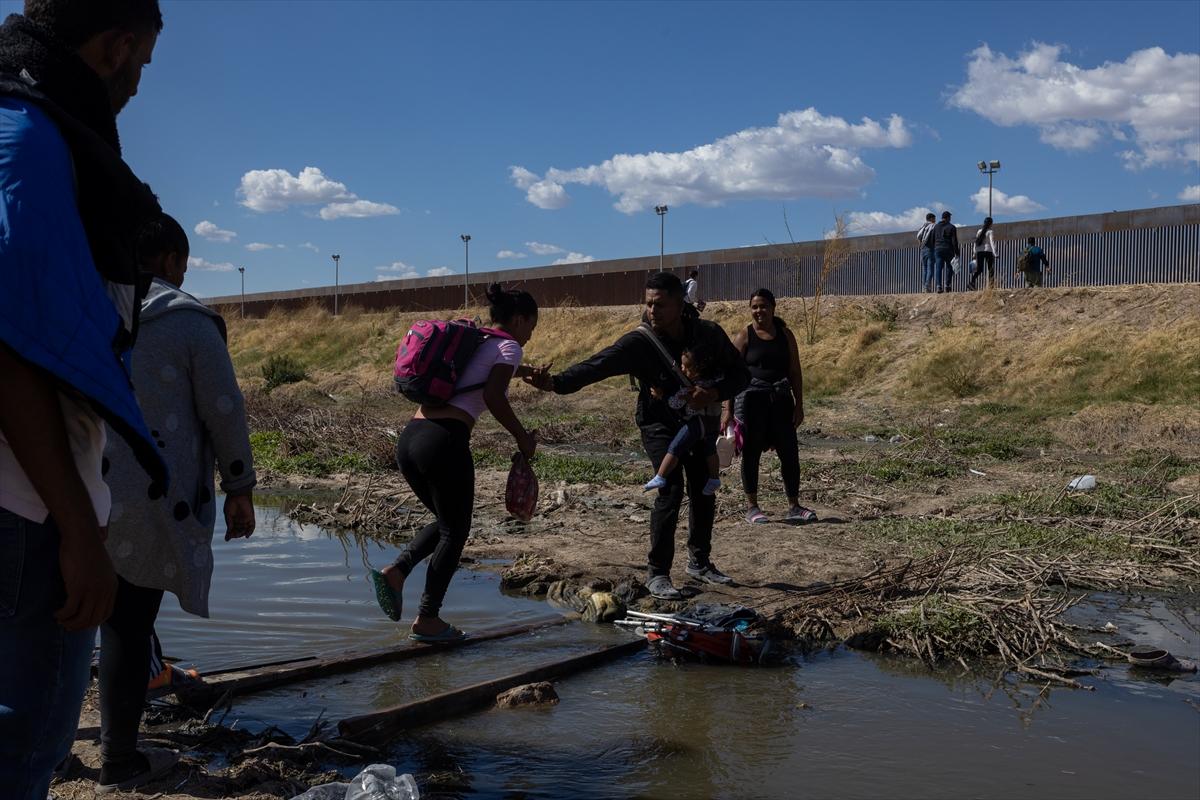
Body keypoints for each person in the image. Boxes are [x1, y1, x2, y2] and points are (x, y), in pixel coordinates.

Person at [0, 3, 166, 798]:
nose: (139, 86)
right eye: (144, 65)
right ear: (118, 46)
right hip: (25, 513)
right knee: (24, 749)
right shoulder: (32, 144)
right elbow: (11, 354)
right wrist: (79, 530)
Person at [99, 213, 258, 793]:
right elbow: (224, 408)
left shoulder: (87, 306)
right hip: (147, 495)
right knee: (127, 622)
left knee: (63, 621)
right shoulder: (189, 320)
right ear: (170, 260)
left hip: (74, 485)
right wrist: (240, 487)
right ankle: (120, 760)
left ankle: (50, 749)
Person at [525, 272, 749, 601]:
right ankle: (658, 573)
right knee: (670, 489)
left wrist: (713, 391)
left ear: (679, 303)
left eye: (660, 304)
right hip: (658, 423)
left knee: (704, 487)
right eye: (648, 303)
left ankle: (700, 562)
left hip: (700, 420)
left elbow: (741, 375)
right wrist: (554, 383)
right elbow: (596, 366)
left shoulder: (708, 334)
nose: (652, 310)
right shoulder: (639, 343)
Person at [374, 284, 540, 640]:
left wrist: (524, 371)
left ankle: (398, 571)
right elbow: (492, 394)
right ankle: (428, 618)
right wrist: (522, 437)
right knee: (455, 530)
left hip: (412, 439)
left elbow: (480, 372)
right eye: (531, 327)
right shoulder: (508, 345)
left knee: (447, 522)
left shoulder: (476, 338)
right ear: (520, 319)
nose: (530, 335)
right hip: (445, 442)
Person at [721, 289, 816, 525]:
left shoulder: (785, 335)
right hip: (752, 403)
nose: (758, 311)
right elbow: (730, 373)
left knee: (789, 454)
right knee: (751, 455)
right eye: (754, 306)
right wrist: (727, 409)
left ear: (773, 307)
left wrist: (799, 405)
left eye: (763, 306)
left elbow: (795, 371)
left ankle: (794, 505)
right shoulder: (745, 335)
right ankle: (752, 506)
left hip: (781, 402)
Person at [643, 344, 723, 496]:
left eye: (687, 367)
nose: (683, 370)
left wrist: (663, 396)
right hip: (713, 422)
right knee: (710, 450)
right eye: (681, 366)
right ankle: (714, 478)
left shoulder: (693, 388)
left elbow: (678, 404)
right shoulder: (715, 382)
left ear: (699, 368)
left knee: (675, 447)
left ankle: (661, 476)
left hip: (699, 424)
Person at [932, 211, 960, 294]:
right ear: (948, 218)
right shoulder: (952, 227)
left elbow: (932, 239)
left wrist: (935, 247)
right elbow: (954, 241)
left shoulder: (936, 227)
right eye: (950, 217)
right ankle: (947, 285)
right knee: (949, 267)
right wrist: (957, 252)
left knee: (938, 268)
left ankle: (938, 286)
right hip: (948, 249)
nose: (950, 219)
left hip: (938, 249)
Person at [968, 216, 997, 290]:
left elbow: (976, 243)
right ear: (991, 224)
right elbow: (992, 242)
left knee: (979, 269)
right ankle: (991, 286)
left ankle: (972, 282)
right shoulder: (990, 231)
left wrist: (974, 253)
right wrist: (995, 253)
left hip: (979, 252)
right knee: (990, 269)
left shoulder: (979, 231)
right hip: (988, 251)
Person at [916, 212, 937, 293]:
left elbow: (918, 237)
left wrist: (921, 244)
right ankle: (927, 286)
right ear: (931, 218)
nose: (935, 220)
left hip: (923, 249)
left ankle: (924, 287)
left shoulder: (923, 227)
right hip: (930, 248)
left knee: (924, 269)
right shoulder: (933, 226)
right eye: (934, 219)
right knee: (930, 268)